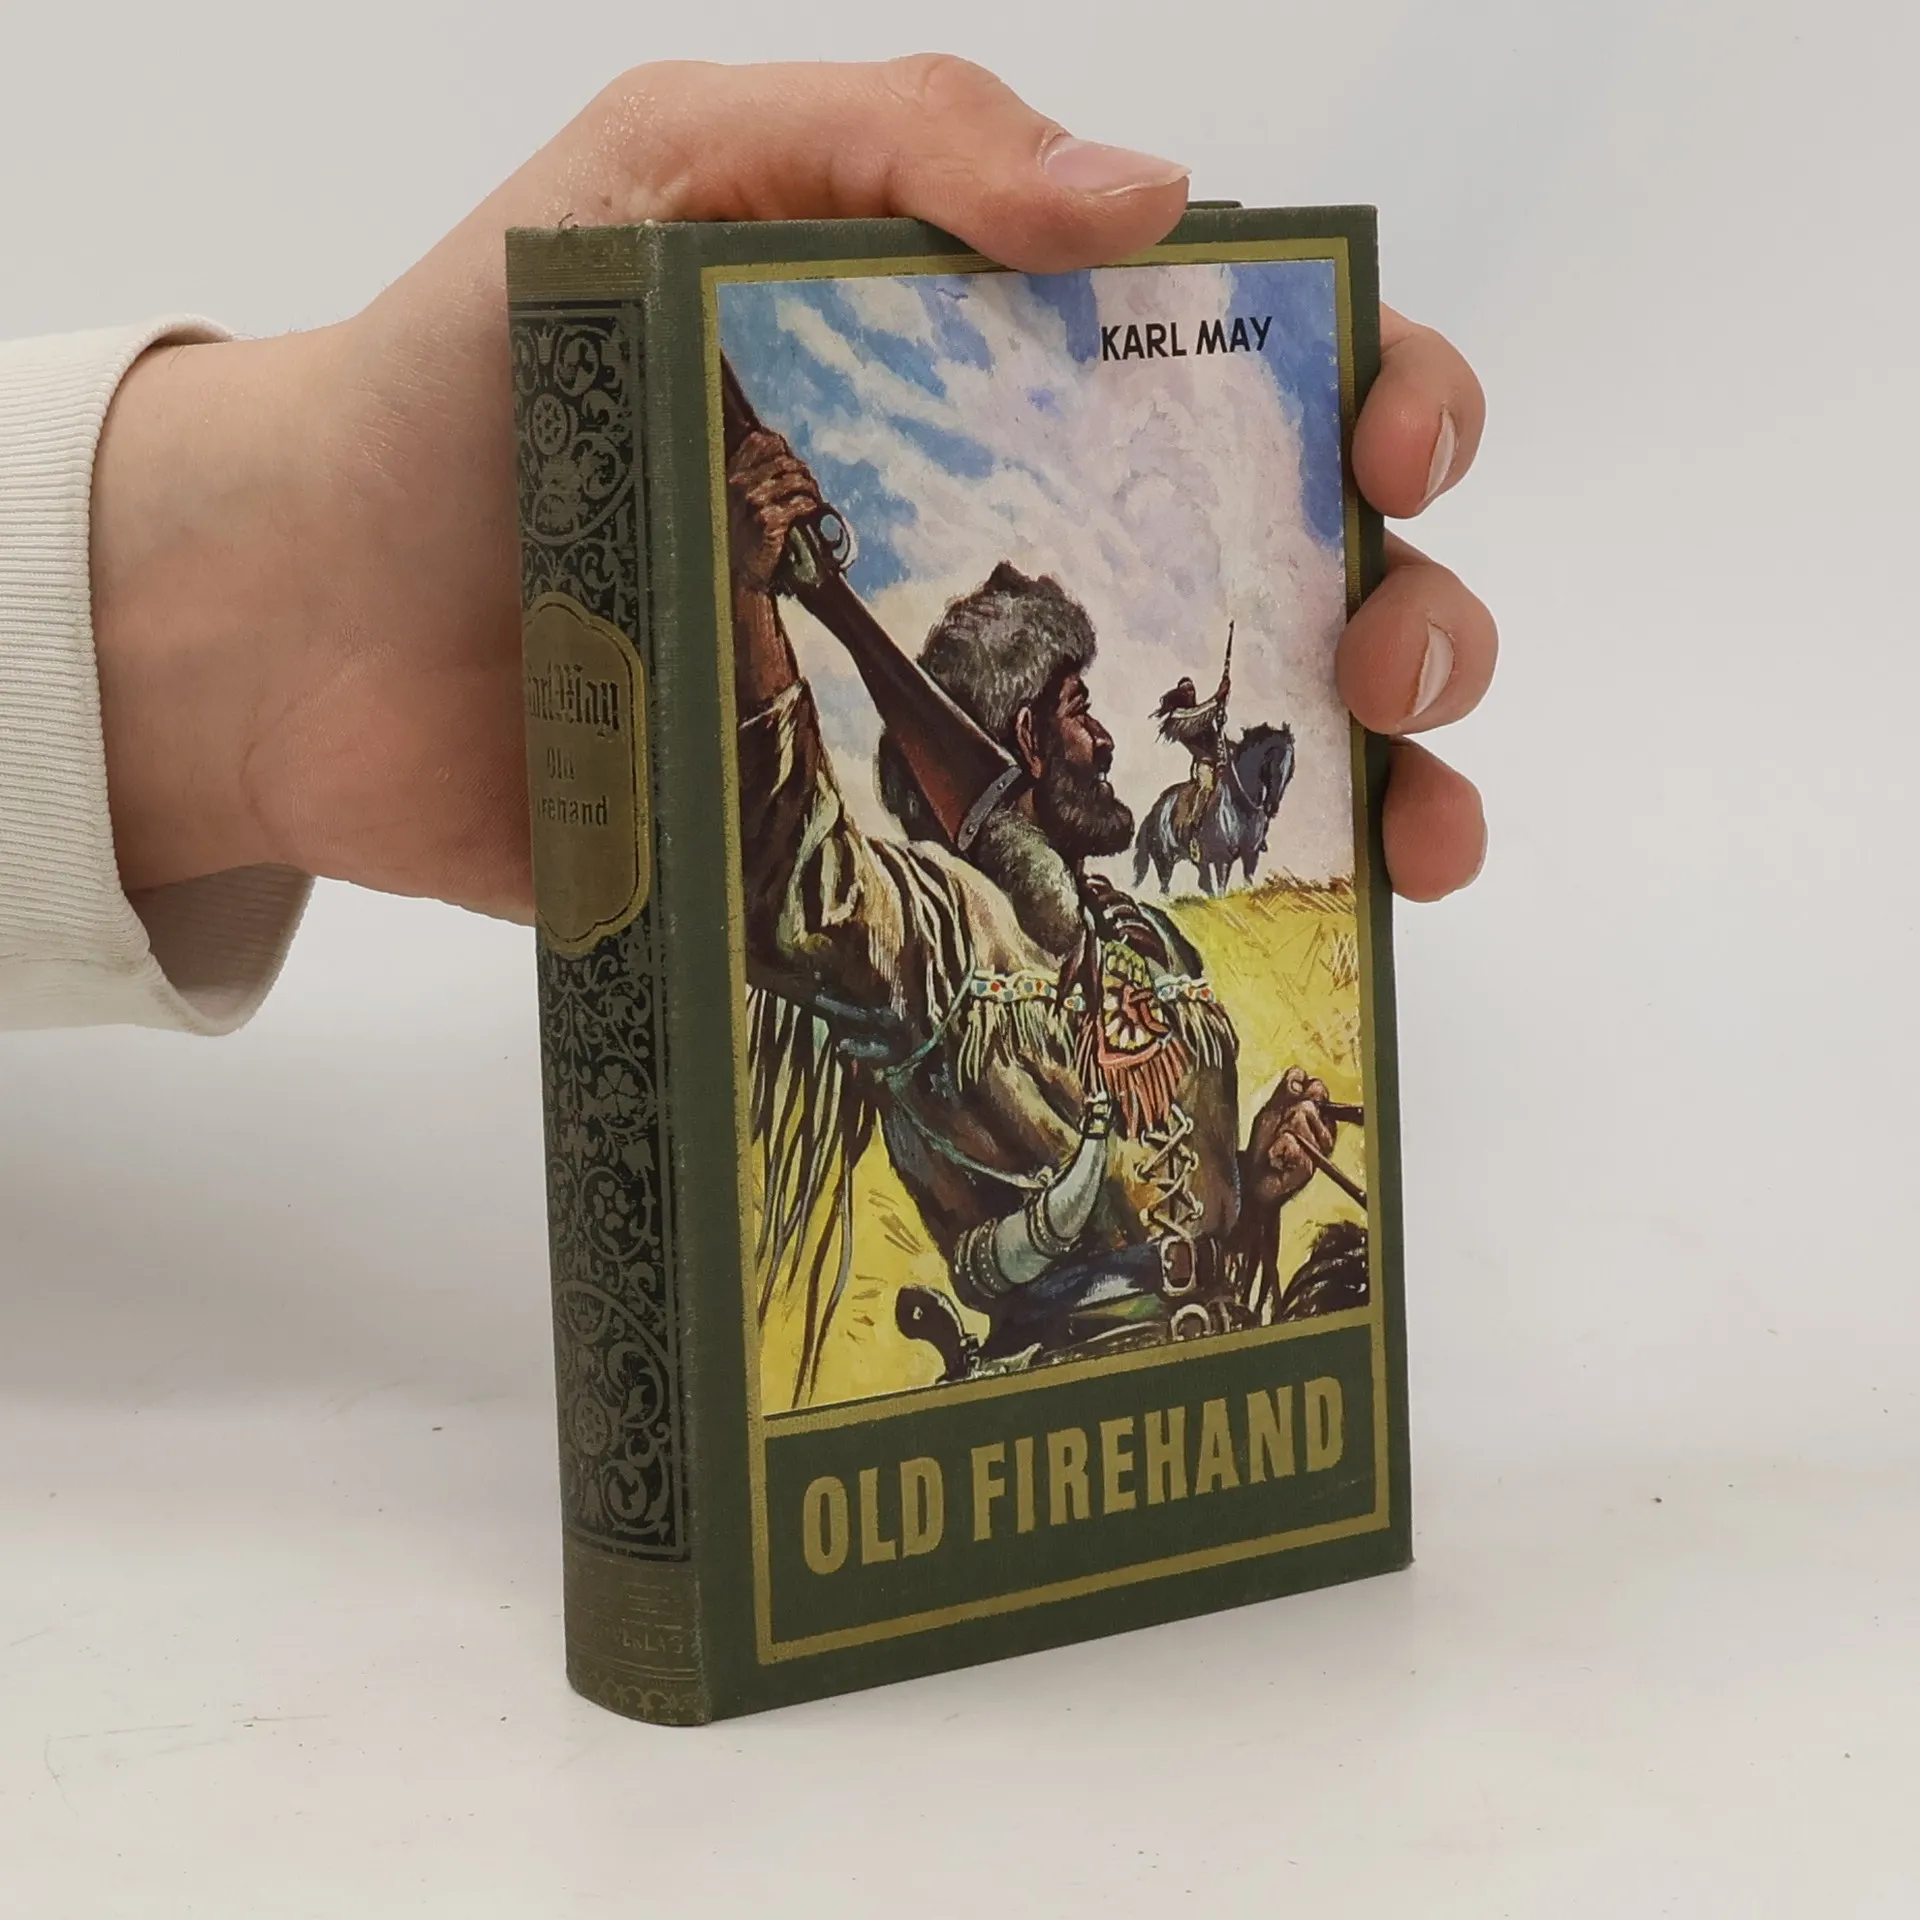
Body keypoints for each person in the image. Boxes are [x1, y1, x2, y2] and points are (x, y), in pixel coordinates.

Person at [0, 56, 1495, 1043]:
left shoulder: (1119, 937)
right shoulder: (954, 919)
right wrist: (768, 602)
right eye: (1071, 709)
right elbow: (821, 880)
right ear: (1004, 741)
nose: (1104, 738)